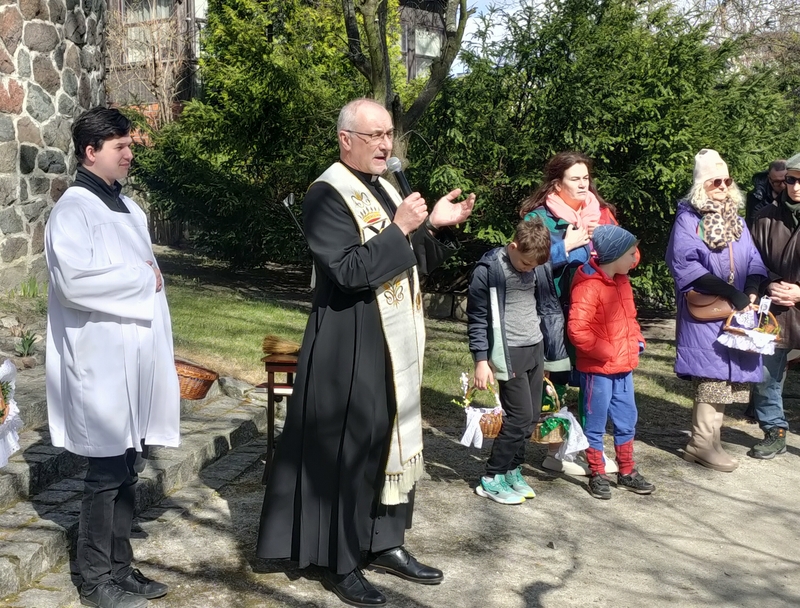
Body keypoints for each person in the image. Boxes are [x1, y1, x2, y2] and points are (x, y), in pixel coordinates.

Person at [256, 98, 475, 607]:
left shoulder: (386, 187)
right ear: (345, 139)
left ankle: (385, 540)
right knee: (351, 450)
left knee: (388, 438)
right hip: (349, 341)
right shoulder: (326, 194)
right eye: (374, 135)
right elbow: (348, 270)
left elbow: (415, 261)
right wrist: (401, 229)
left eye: (388, 134)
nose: (385, 144)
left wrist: (435, 225)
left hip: (392, 342)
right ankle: (342, 559)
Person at [45, 107, 179, 608]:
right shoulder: (73, 210)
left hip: (134, 358)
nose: (129, 154)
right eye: (120, 146)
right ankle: (95, 579)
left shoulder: (127, 206)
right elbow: (73, 282)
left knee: (127, 467)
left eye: (128, 145)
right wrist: (143, 278)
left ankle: (120, 568)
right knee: (104, 475)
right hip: (99, 360)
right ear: (90, 151)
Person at [519, 151, 625, 475]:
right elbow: (523, 260)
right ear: (557, 183)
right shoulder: (538, 218)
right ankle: (557, 451)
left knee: (593, 381)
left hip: (596, 314)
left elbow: (629, 257)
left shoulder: (601, 213)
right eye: (574, 179)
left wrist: (612, 249)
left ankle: (589, 449)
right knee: (557, 381)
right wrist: (565, 245)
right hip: (552, 312)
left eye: (586, 178)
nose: (582, 184)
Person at [666, 149, 768, 472]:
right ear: (701, 185)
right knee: (710, 376)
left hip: (734, 310)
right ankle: (700, 443)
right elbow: (685, 264)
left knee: (725, 379)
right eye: (715, 181)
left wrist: (750, 291)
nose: (723, 186)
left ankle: (712, 441)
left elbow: (753, 259)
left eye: (727, 180)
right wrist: (730, 293)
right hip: (706, 311)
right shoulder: (688, 219)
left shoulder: (736, 220)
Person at [466, 218, 553, 505]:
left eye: (534, 266)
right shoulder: (488, 271)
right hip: (508, 353)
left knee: (531, 418)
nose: (529, 269)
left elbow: (546, 305)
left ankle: (512, 470)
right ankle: (492, 477)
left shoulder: (537, 265)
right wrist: (481, 360)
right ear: (513, 247)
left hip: (535, 347)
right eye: (526, 263)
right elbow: (477, 318)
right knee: (518, 418)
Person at [567, 224, 655, 499]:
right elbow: (577, 330)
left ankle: (627, 471)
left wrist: (637, 341)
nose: (635, 259)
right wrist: (606, 351)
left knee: (627, 419)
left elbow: (629, 318)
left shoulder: (621, 281)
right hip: (598, 370)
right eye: (630, 254)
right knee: (595, 423)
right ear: (615, 256)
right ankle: (597, 472)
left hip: (623, 366)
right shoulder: (588, 286)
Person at [748, 152, 800, 459]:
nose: (795, 187)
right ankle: (774, 430)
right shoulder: (765, 217)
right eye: (791, 180)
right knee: (766, 375)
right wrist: (770, 284)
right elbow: (753, 262)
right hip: (774, 309)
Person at [745, 160, 786, 227]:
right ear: (769, 179)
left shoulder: (796, 191)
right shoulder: (757, 196)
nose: (782, 185)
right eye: (777, 182)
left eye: (785, 180)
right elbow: (754, 225)